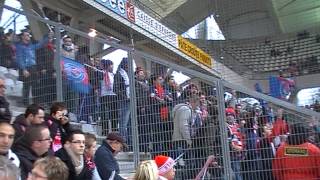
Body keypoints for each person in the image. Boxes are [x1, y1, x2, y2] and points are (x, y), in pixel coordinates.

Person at [15, 30, 53, 105]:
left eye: (29, 35)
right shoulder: (20, 46)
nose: (28, 36)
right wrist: (24, 69)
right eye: (26, 35)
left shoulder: (31, 46)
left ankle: (35, 103)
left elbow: (40, 44)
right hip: (26, 68)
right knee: (26, 85)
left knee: (35, 85)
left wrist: (47, 36)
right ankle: (25, 102)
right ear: (22, 37)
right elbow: (19, 58)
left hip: (33, 67)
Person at [114, 58, 131, 145]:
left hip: (130, 100)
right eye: (128, 63)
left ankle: (128, 141)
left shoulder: (128, 74)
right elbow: (115, 89)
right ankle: (122, 140)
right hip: (124, 100)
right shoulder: (119, 74)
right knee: (123, 122)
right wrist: (125, 97)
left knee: (129, 123)